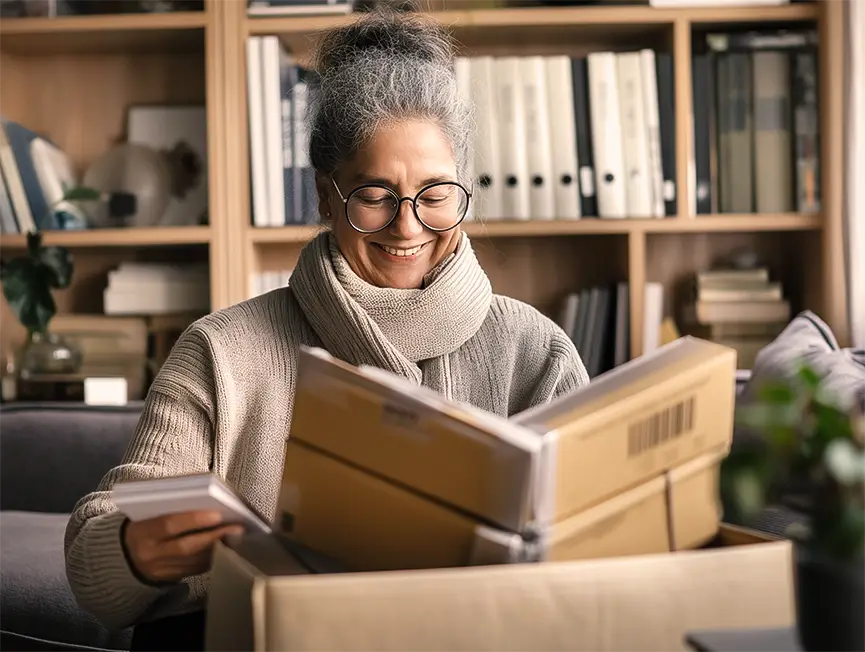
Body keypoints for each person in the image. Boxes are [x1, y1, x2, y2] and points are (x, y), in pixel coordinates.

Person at [64, 7, 589, 651]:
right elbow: (98, 557)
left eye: (435, 193)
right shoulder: (221, 352)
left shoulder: (537, 352)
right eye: (375, 194)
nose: (408, 225)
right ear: (324, 195)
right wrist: (135, 550)